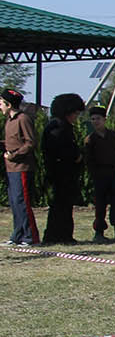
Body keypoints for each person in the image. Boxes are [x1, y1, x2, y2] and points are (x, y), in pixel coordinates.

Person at [42, 93, 85, 245]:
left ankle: (61, 234)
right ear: (68, 112)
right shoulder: (60, 128)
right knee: (62, 205)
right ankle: (60, 235)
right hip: (62, 172)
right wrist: (77, 157)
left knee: (62, 205)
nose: (76, 116)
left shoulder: (57, 126)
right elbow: (65, 150)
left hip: (61, 172)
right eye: (76, 113)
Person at [82, 106, 115, 243]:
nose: (96, 122)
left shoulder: (113, 136)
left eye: (98, 119)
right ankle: (99, 232)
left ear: (104, 120)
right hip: (99, 175)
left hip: (113, 173)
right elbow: (88, 159)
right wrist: (93, 173)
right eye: (93, 119)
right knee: (100, 205)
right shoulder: (90, 139)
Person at [2, 88, 39, 247]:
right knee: (14, 202)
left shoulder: (23, 119)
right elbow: (11, 141)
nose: (0, 106)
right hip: (10, 168)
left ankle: (30, 237)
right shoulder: (9, 120)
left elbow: (30, 143)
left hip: (22, 167)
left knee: (22, 202)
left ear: (9, 104)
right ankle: (17, 235)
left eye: (1, 103)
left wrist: (14, 155)